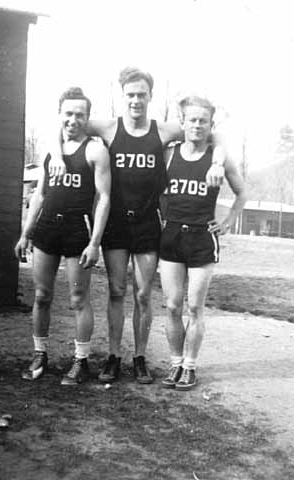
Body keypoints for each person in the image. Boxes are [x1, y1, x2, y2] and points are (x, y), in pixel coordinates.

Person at [49, 67, 226, 384]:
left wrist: (217, 161)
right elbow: (64, 121)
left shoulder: (162, 130)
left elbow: (213, 132)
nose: (135, 100)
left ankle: (140, 358)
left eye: (141, 94)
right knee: (117, 291)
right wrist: (57, 156)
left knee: (143, 295)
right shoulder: (108, 127)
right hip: (117, 223)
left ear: (150, 97)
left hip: (147, 224)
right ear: (122, 95)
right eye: (130, 94)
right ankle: (115, 357)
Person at [14, 87, 111, 385]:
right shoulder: (50, 151)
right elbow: (39, 195)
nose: (73, 120)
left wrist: (95, 242)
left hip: (77, 230)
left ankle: (80, 361)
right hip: (47, 230)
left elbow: (105, 198)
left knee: (79, 298)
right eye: (68, 114)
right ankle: (40, 353)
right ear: (60, 115)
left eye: (80, 114)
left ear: (88, 117)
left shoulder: (95, 150)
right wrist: (25, 234)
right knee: (42, 295)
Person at [159, 95, 246, 390]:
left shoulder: (218, 157)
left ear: (211, 125)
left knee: (194, 307)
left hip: (201, 238)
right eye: (192, 120)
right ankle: (175, 364)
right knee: (172, 306)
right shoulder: (169, 154)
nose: (197, 125)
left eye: (203, 121)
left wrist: (227, 220)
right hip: (171, 235)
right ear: (182, 122)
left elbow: (242, 194)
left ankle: (190, 366)